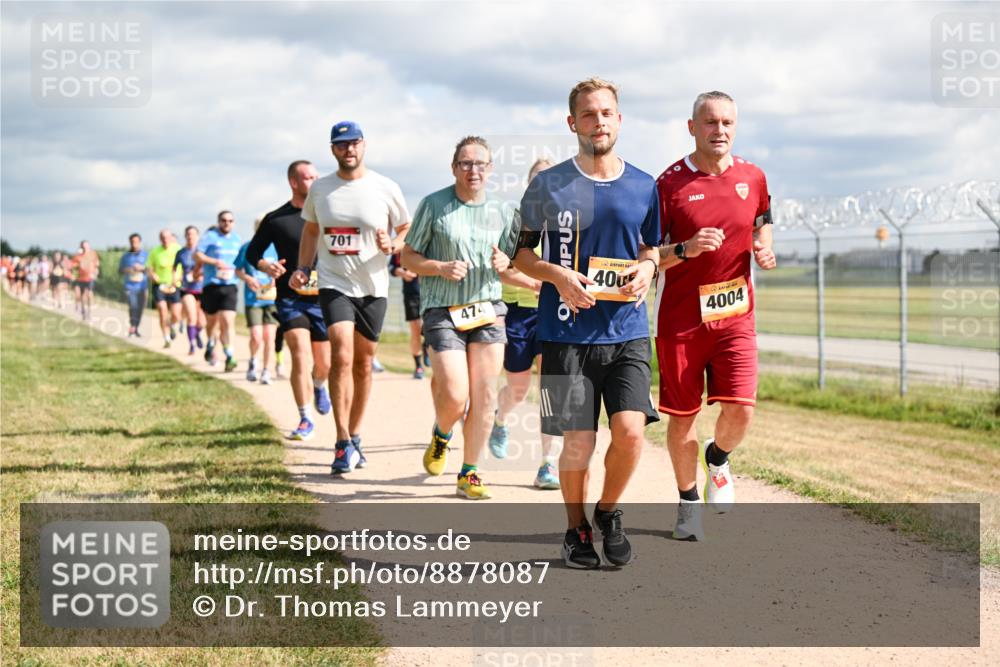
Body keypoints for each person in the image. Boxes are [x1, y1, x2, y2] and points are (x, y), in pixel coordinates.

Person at [513, 78, 660, 567]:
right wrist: (556, 275)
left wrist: (649, 266)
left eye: (607, 113)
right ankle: (576, 530)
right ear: (572, 122)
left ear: (619, 119)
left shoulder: (644, 184)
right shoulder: (547, 185)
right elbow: (520, 254)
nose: (599, 121)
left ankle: (609, 511)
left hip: (627, 332)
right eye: (589, 114)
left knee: (631, 432)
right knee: (578, 442)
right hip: (563, 335)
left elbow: (651, 245)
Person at [654, 90, 775, 541]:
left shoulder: (754, 176)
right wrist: (683, 250)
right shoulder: (668, 186)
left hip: (736, 316)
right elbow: (648, 257)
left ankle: (718, 459)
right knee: (681, 418)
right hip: (682, 321)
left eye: (726, 123)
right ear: (692, 128)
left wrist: (765, 247)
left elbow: (763, 218)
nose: (719, 130)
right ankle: (687, 502)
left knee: (741, 410)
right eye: (709, 122)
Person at [402, 135, 518, 500]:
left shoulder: (504, 211)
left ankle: (470, 472)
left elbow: (514, 262)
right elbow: (408, 258)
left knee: (484, 395)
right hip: (442, 310)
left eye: (480, 163)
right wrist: (439, 266)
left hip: (488, 308)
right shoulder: (434, 205)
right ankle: (441, 433)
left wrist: (508, 263)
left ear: (490, 169)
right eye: (466, 163)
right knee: (455, 394)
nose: (473, 170)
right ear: (454, 168)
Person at [291, 121, 410, 473]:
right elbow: (312, 229)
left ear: (364, 145)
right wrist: (303, 267)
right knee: (341, 353)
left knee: (363, 363)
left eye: (354, 143)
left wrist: (395, 244)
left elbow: (404, 226)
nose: (349, 150)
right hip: (334, 282)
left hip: (373, 287)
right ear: (333, 150)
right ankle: (341, 441)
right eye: (341, 145)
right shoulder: (321, 189)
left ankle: (356, 435)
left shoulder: (385, 187)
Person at [489, 158, 562, 490]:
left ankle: (548, 464)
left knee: (552, 390)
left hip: (556, 314)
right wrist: (534, 283)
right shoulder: (516, 221)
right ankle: (500, 420)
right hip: (520, 312)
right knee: (518, 388)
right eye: (537, 181)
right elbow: (502, 268)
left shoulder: (569, 220)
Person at [247, 160, 333, 441]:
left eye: (317, 177)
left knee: (325, 364)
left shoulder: (329, 214)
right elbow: (253, 253)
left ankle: (319, 384)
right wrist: (266, 266)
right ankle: (305, 417)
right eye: (308, 178)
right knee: (299, 352)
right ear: (294, 183)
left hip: (325, 299)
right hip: (290, 298)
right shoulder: (276, 219)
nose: (314, 181)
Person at [196, 211, 243, 371]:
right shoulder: (210, 237)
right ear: (218, 222)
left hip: (230, 284)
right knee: (212, 322)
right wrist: (215, 261)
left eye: (230, 220)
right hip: (211, 285)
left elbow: (241, 260)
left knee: (227, 320)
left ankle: (229, 354)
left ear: (233, 222)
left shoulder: (237, 239)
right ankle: (210, 342)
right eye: (224, 220)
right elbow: (197, 256)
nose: (227, 223)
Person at [236, 225, 279, 384]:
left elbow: (284, 267)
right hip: (252, 298)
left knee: (270, 337)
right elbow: (238, 270)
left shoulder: (276, 248)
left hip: (271, 298)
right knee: (256, 336)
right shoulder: (247, 247)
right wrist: (248, 278)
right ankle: (253, 361)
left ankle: (266, 371)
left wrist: (276, 279)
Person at [388, 252, 427, 379]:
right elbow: (391, 268)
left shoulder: (427, 240)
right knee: (415, 329)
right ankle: (418, 366)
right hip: (411, 294)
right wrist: (403, 273)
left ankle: (427, 346)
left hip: (430, 293)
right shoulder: (401, 247)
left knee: (429, 327)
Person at [147, 229, 183, 348]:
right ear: (160, 239)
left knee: (176, 314)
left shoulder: (178, 249)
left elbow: (186, 265)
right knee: (162, 311)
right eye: (162, 237)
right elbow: (149, 267)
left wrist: (179, 278)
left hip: (174, 285)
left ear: (171, 238)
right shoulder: (155, 251)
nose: (165, 240)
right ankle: (166, 338)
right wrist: (153, 275)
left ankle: (172, 325)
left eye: (167, 237)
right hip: (160, 285)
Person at [174, 226, 207, 355]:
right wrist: (176, 280)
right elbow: (174, 268)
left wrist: (201, 275)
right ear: (185, 236)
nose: (190, 237)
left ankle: (197, 333)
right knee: (191, 316)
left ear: (197, 236)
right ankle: (192, 344)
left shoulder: (203, 252)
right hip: (186, 288)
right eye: (188, 234)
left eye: (193, 234)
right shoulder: (181, 252)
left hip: (201, 288)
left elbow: (208, 268)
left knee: (202, 321)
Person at [119, 233, 148, 337]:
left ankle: (136, 327)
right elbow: (120, 270)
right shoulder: (126, 256)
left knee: (140, 307)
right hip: (130, 286)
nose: (134, 244)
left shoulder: (146, 255)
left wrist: (142, 268)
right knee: (133, 306)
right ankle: (132, 326)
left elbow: (150, 269)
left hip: (142, 286)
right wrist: (128, 269)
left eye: (136, 241)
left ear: (139, 242)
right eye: (132, 242)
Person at [71, 241, 100, 320]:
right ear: (81, 247)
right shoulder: (77, 256)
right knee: (82, 295)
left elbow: (97, 265)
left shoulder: (93, 254)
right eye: (83, 246)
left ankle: (90, 312)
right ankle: (84, 312)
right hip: (81, 278)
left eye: (86, 246)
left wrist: (95, 274)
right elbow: (73, 267)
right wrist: (76, 269)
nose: (85, 248)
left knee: (90, 294)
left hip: (90, 278)